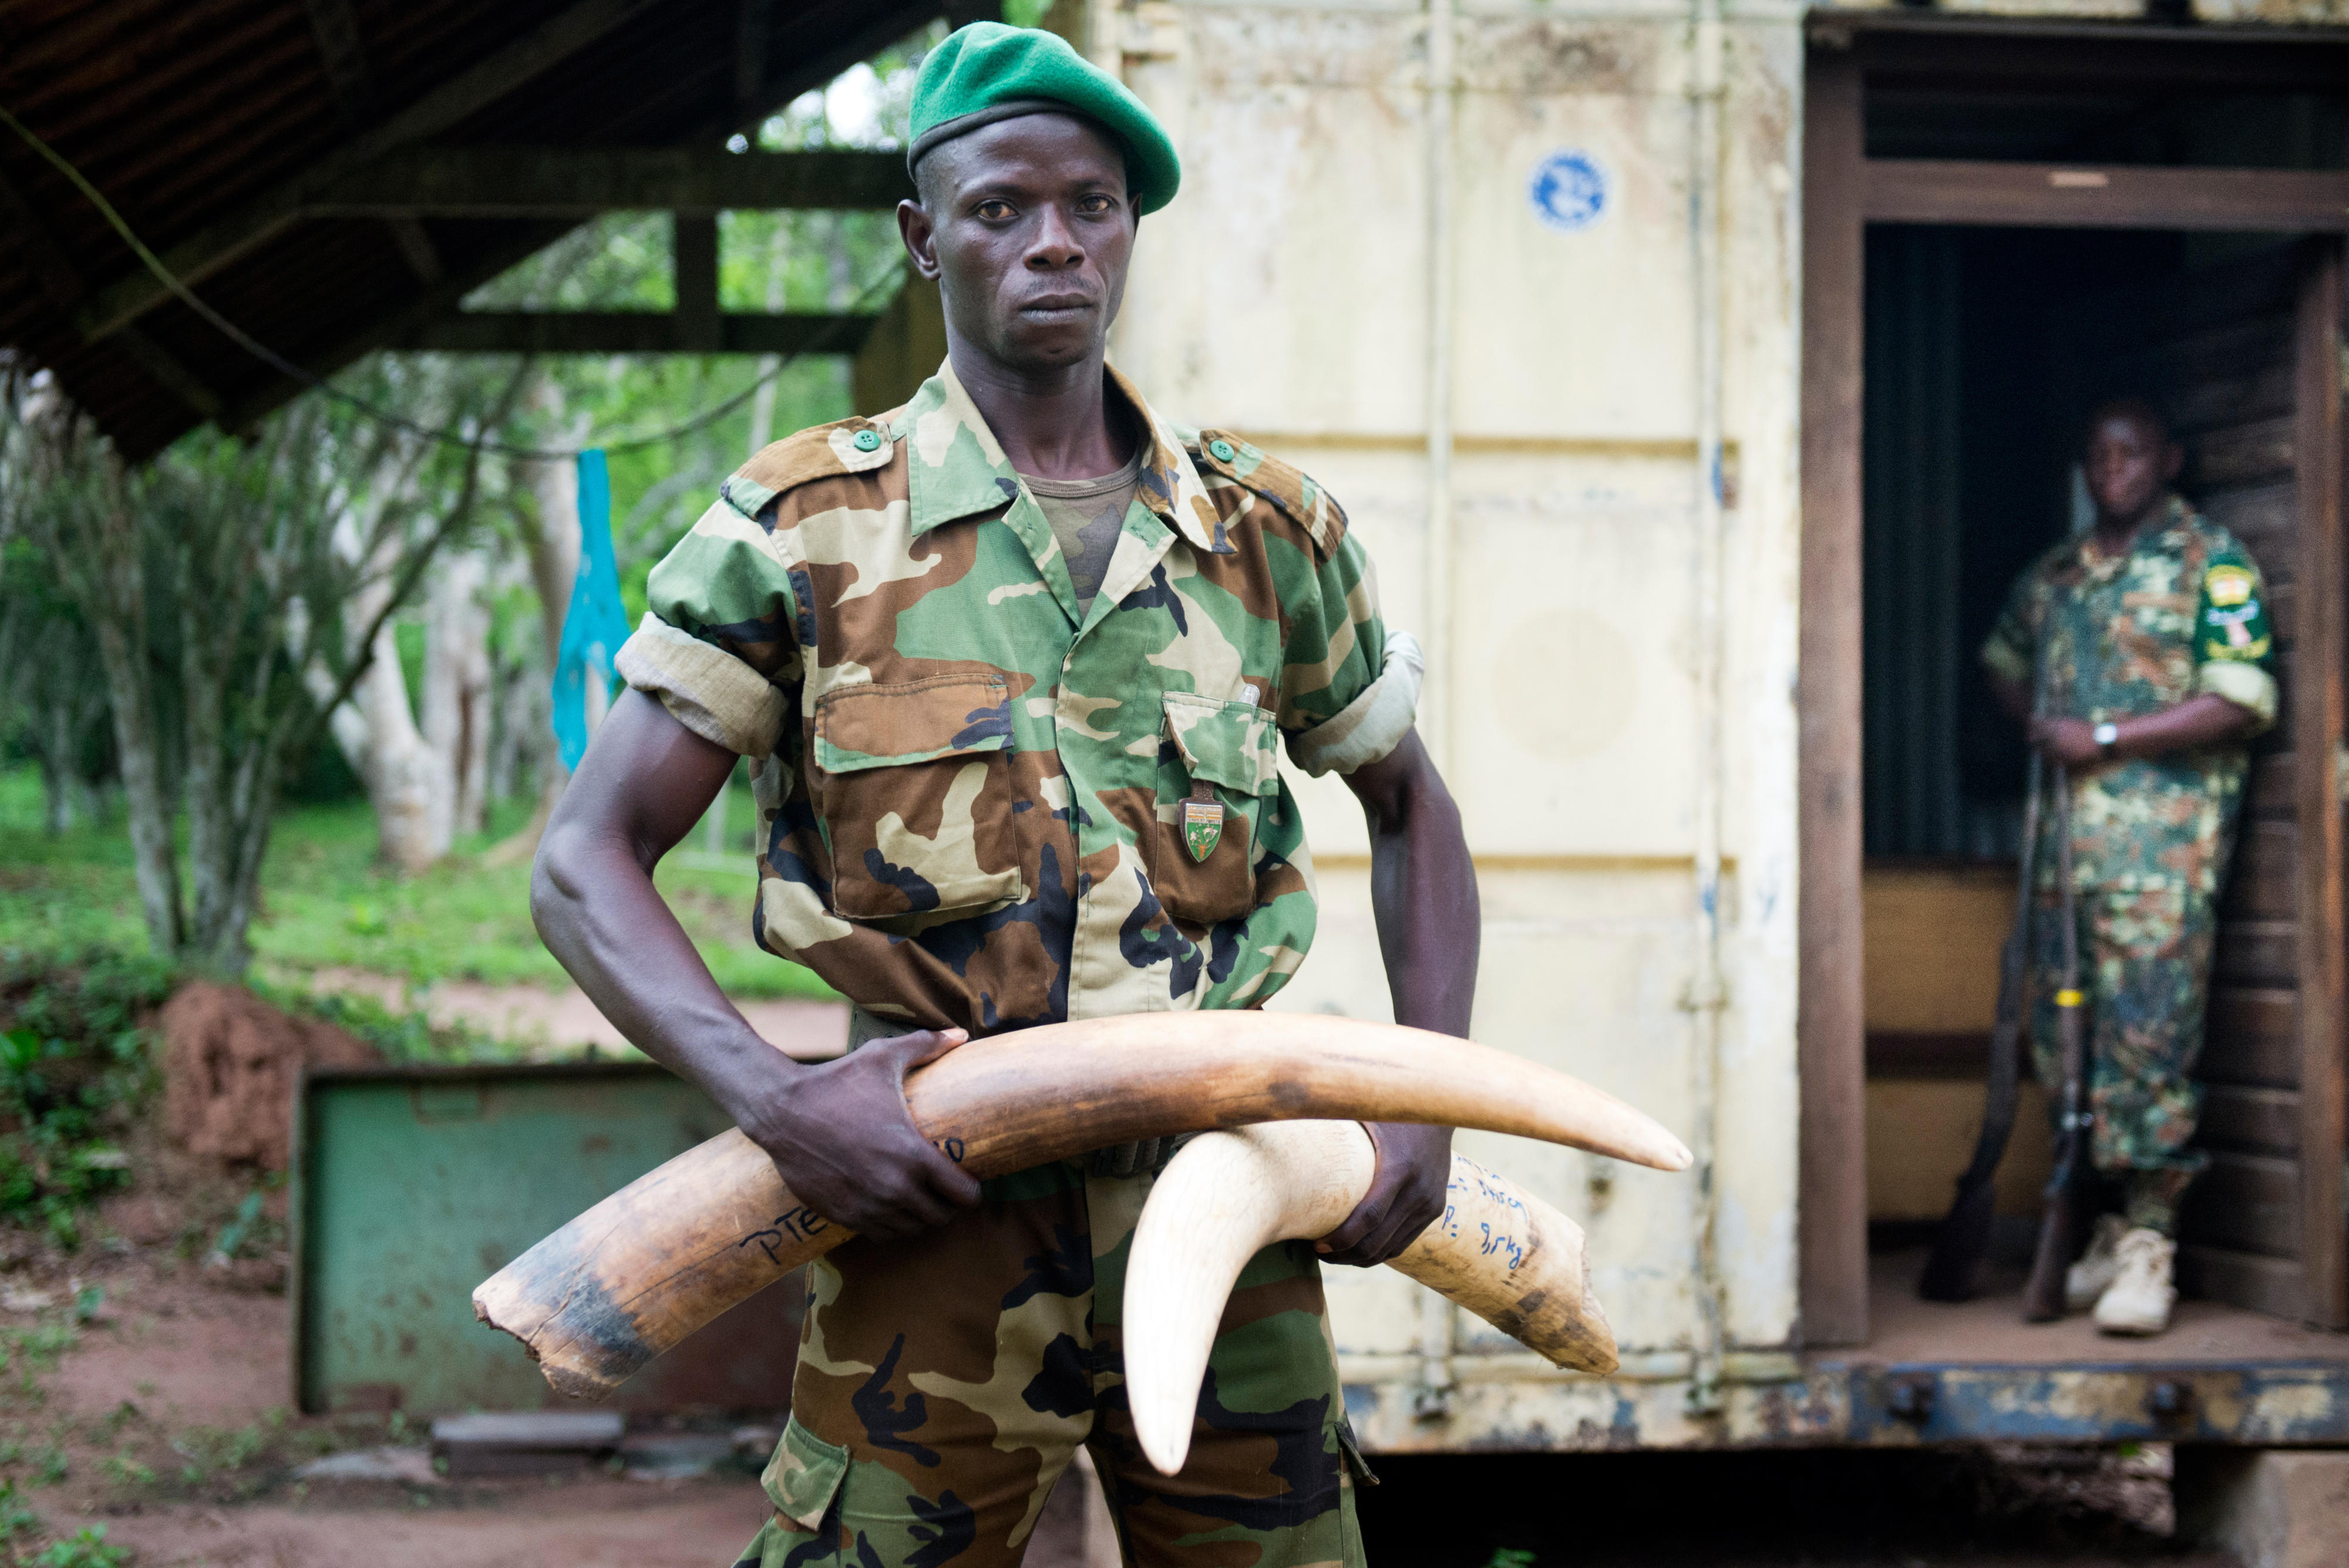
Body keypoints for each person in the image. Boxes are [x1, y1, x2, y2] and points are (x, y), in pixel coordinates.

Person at [530, 22, 1478, 1566]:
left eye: (1093, 205)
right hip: (929, 1219)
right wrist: (776, 1100)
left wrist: (1429, 1090)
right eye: (999, 209)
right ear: (924, 238)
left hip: (1228, 1211)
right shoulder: (804, 528)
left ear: (1129, 230)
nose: (1055, 242)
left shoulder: (1269, 535)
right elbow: (586, 858)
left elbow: (1414, 806)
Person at [1981, 396, 2276, 1337]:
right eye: (2098, 453)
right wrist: (2040, 725)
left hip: (2162, 857)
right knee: (2063, 1042)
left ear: (2169, 460)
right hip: (2065, 856)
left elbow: (2243, 696)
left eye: (2132, 452)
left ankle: (2152, 1241)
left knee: (2150, 1040)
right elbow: (2001, 655)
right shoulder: (2061, 575)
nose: (2112, 467)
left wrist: (2103, 735)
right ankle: (2106, 1225)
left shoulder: (2209, 562)